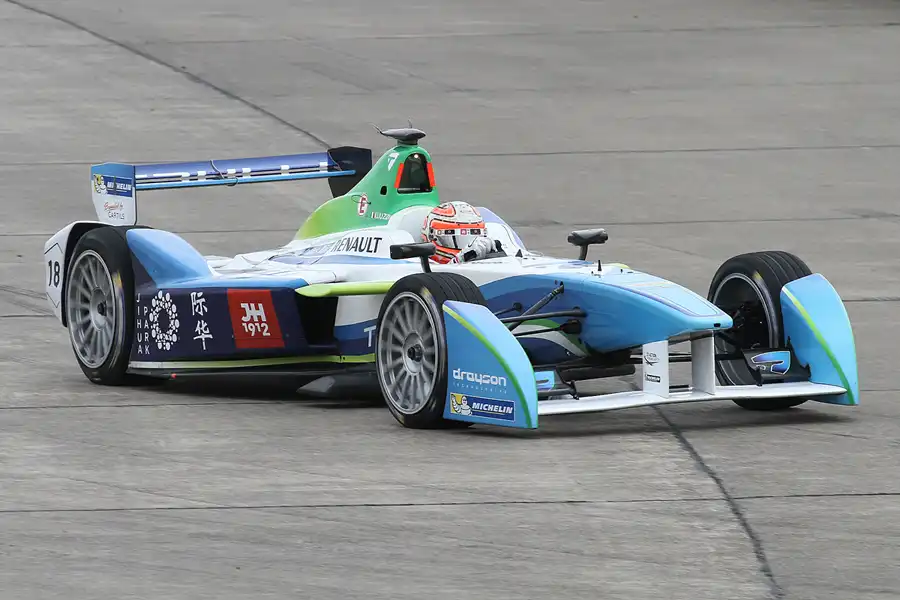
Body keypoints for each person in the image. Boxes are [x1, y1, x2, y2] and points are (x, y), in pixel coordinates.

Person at [422, 201, 504, 264]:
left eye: (474, 234)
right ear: (431, 236)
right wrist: (462, 258)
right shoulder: (419, 266)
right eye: (452, 235)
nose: (469, 248)